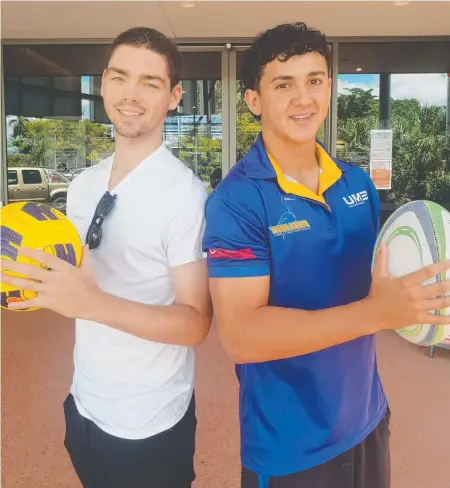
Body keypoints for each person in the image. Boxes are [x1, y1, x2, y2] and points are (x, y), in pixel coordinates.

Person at [202, 22, 450, 488]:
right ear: (254, 100)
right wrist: (376, 312)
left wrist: (420, 300)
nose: (303, 98)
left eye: (315, 80)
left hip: (367, 416)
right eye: (284, 84)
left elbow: (380, 287)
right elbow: (241, 336)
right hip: (290, 444)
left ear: (330, 87)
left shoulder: (357, 184)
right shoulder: (235, 201)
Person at [3, 27, 212, 487]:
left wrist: (90, 303)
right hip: (84, 402)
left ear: (174, 97)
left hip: (149, 420)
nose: (131, 94)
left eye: (150, 83)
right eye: (120, 77)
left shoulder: (185, 196)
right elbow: (77, 277)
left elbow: (195, 322)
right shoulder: (83, 185)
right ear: (103, 84)